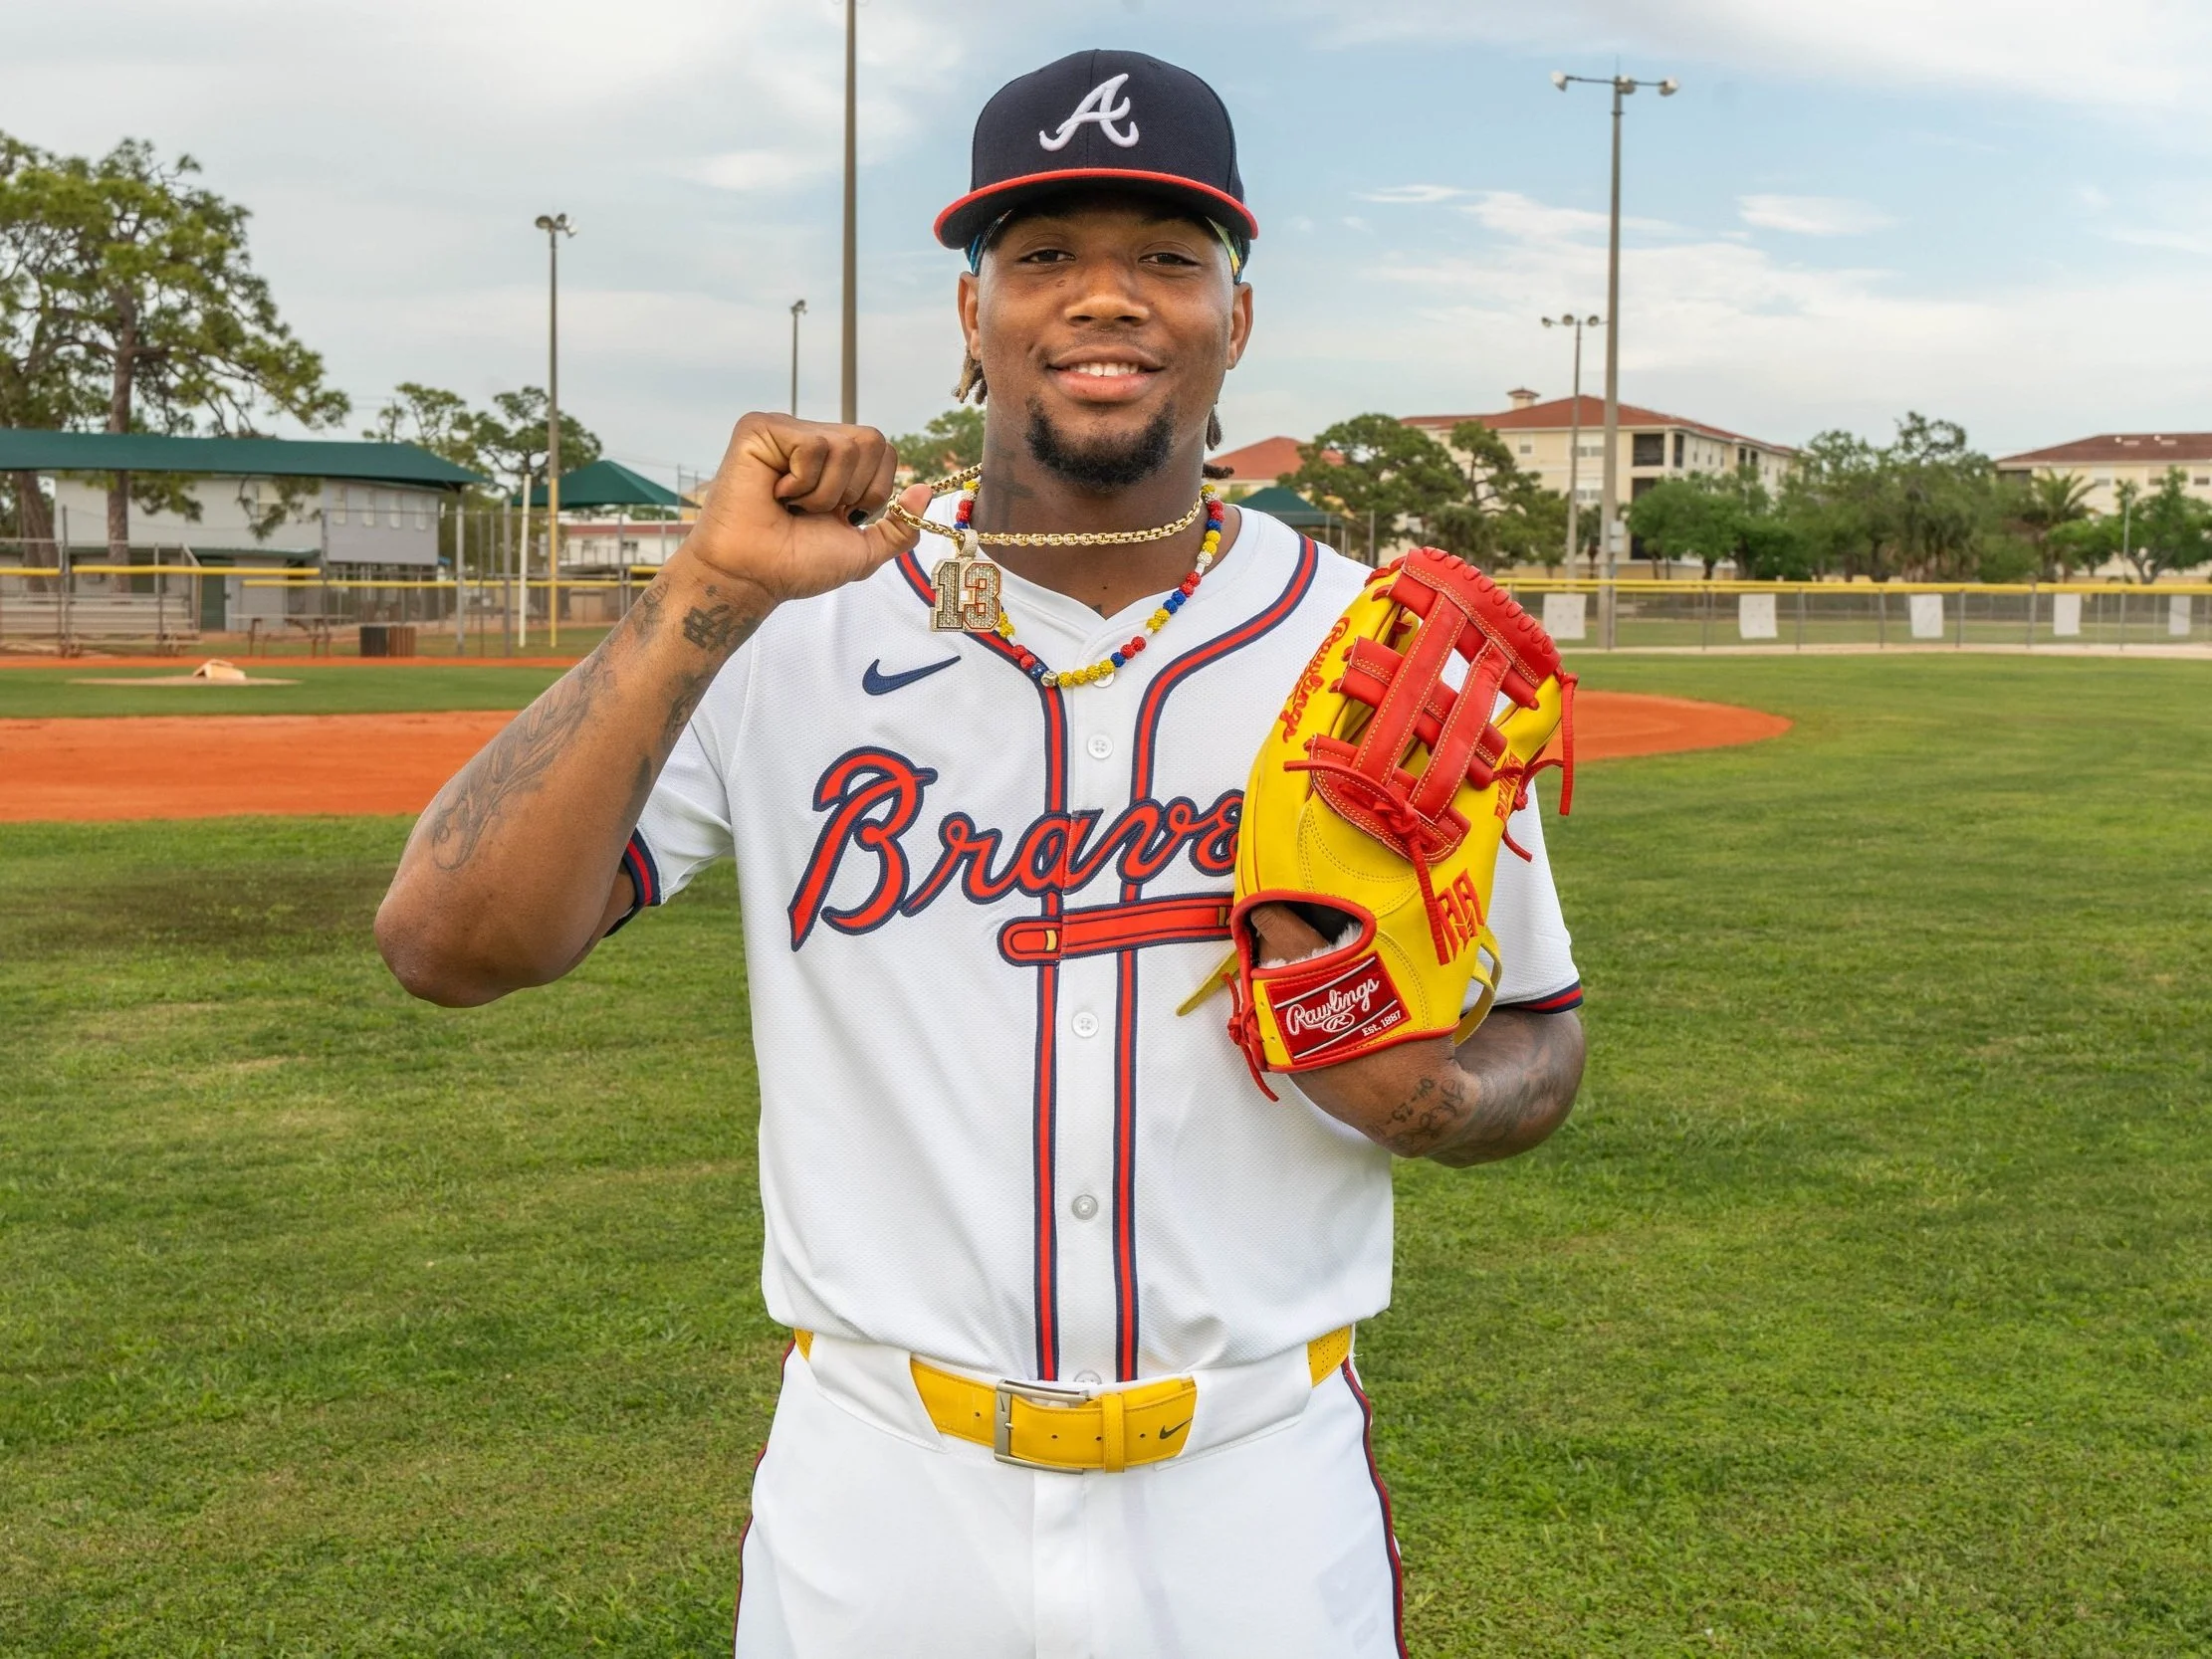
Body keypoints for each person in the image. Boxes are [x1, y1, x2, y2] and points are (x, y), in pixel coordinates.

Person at [377, 47, 1585, 1659]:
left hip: (1254, 1494)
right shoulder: (791, 620)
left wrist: (1427, 1096)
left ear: (1236, 317)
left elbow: (1542, 1035)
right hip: (883, 1491)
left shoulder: (1373, 650)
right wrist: (703, 595)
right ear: (972, 312)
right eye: (1043, 255)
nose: (1106, 297)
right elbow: (446, 944)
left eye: (1168, 256)